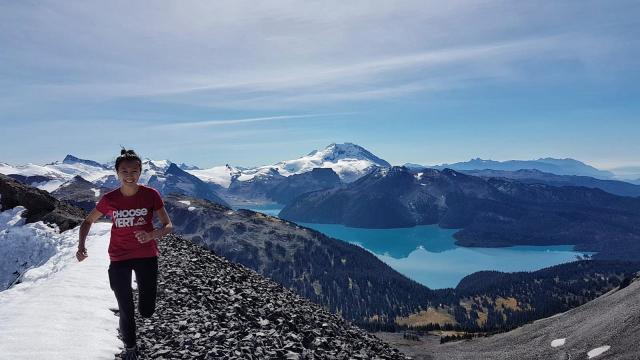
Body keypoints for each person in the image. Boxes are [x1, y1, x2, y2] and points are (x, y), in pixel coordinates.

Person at [76, 148, 173, 360]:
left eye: (134, 170)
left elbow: (167, 225)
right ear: (117, 173)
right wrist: (81, 246)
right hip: (119, 257)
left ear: (140, 172)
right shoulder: (110, 199)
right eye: (124, 171)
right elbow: (88, 221)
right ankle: (130, 347)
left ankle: (144, 308)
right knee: (125, 306)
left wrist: (152, 234)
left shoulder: (151, 194)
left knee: (146, 310)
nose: (129, 175)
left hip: (147, 255)